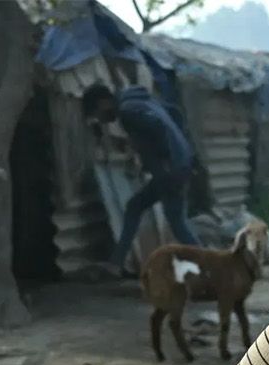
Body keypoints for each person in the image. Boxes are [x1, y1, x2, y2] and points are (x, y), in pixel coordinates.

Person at [82, 83, 201, 272]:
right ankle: (116, 262)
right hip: (177, 167)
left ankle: (208, 266)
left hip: (171, 172)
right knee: (135, 206)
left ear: (103, 102)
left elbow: (158, 128)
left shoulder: (128, 111)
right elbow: (174, 114)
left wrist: (164, 161)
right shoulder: (140, 101)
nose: (102, 120)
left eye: (98, 114)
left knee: (177, 223)